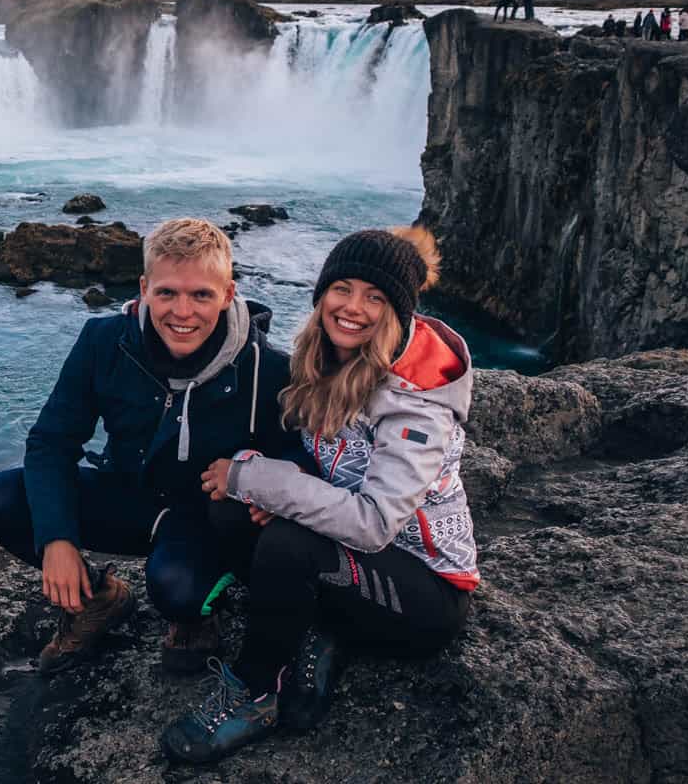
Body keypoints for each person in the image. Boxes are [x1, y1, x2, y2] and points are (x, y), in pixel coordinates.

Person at [161, 227, 478, 766]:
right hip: (352, 562)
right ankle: (319, 633)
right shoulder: (326, 360)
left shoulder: (417, 405)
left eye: (376, 298)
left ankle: (256, 690)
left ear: (398, 312)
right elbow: (310, 466)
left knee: (285, 540)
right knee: (230, 507)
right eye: (342, 288)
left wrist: (263, 481)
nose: (353, 308)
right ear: (322, 293)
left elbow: (375, 523)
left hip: (424, 593)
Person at [0, 218, 312, 675]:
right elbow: (53, 442)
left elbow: (300, 457)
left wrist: (271, 479)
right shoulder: (103, 342)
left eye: (201, 295)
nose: (182, 312)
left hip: (203, 519)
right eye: (167, 293)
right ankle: (100, 599)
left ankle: (200, 612)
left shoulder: (267, 369)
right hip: (127, 496)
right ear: (144, 288)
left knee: (178, 591)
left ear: (229, 294)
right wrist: (57, 539)